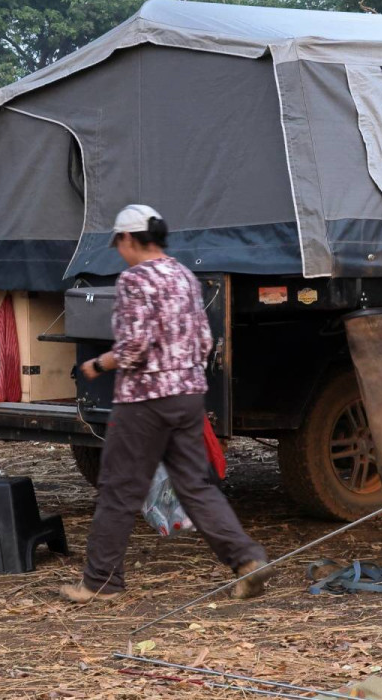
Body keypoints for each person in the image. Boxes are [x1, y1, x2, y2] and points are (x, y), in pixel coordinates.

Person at [60, 204, 271, 603]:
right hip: (187, 396)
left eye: (118, 242)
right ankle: (246, 559)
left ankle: (101, 581)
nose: (118, 251)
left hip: (144, 401)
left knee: (119, 488)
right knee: (195, 486)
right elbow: (204, 340)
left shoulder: (134, 280)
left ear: (129, 238)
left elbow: (134, 347)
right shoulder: (184, 275)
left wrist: (97, 364)